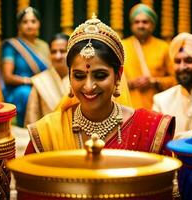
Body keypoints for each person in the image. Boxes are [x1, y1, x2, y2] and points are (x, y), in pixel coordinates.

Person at [25, 15, 175, 155]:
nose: (89, 86)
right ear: (70, 76)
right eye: (79, 76)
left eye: (100, 76)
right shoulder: (48, 131)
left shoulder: (149, 128)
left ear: (118, 76)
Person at [1, 7, 51, 127]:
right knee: (26, 93)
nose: (29, 25)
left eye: (33, 21)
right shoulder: (12, 46)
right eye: (25, 22)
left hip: (41, 87)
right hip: (19, 89)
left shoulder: (44, 46)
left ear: (39, 24)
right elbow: (7, 77)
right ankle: (26, 129)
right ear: (19, 25)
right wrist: (29, 81)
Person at [122, 3, 176, 109]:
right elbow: (111, 79)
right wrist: (130, 83)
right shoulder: (121, 46)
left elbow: (176, 80)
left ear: (152, 25)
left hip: (156, 108)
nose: (140, 25)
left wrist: (154, 82)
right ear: (132, 25)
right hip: (127, 108)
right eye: (136, 22)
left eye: (145, 22)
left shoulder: (164, 47)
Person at [24, 33, 70, 126]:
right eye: (54, 52)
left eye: (62, 51)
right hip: (47, 135)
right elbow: (32, 115)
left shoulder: (80, 78)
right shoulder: (40, 81)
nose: (58, 56)